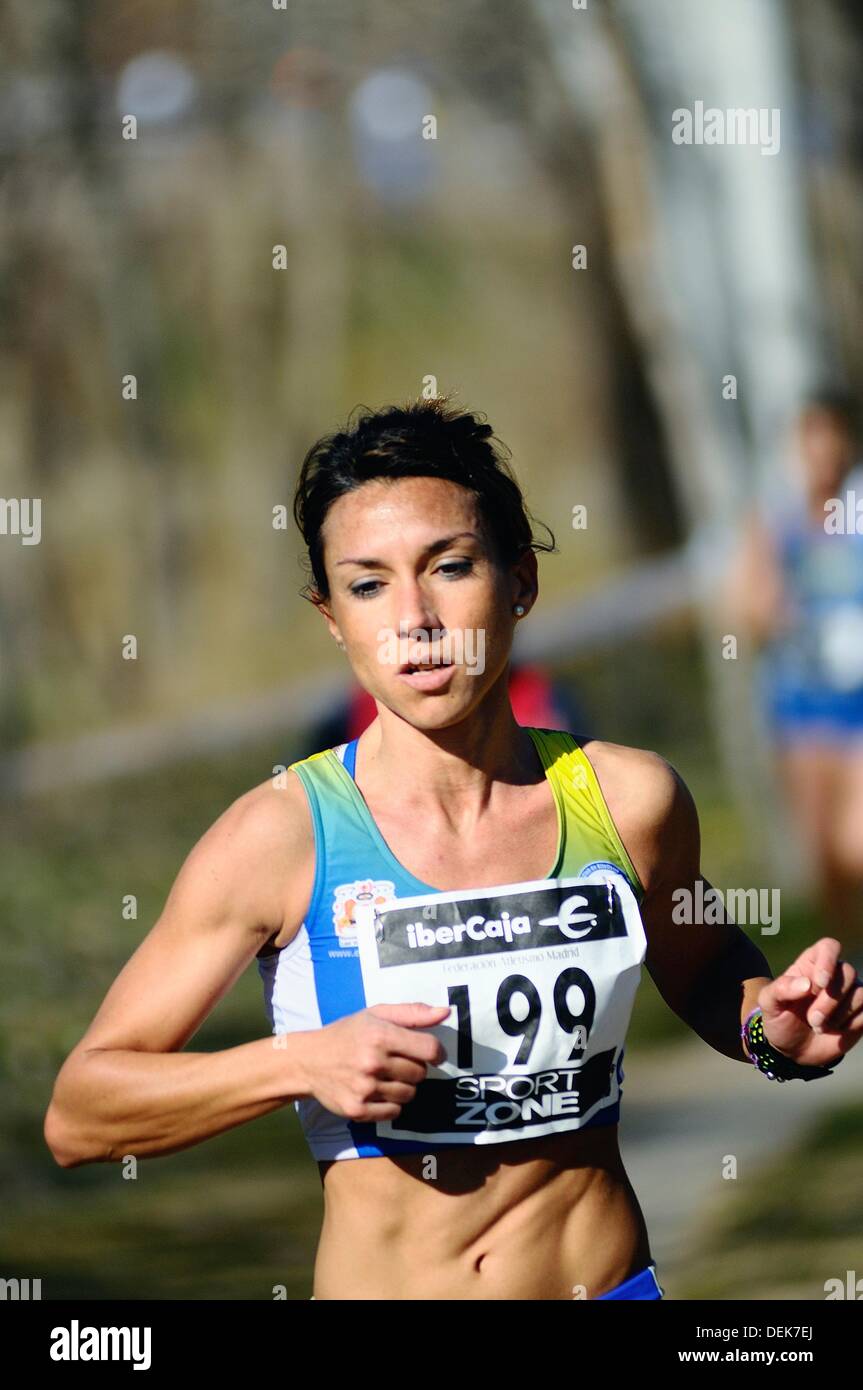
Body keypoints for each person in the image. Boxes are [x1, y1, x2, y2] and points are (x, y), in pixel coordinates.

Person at [44, 395, 863, 1301]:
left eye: (450, 566)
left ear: (520, 581)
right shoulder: (279, 837)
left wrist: (770, 1032)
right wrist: (298, 1063)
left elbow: (708, 968)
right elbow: (82, 1113)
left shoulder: (629, 800)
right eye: (367, 585)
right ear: (330, 617)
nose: (414, 619)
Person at [724, 390, 863, 963]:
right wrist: (772, 605)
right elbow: (744, 606)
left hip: (857, 705)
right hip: (800, 708)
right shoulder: (775, 518)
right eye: (812, 439)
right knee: (824, 858)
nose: (823, 452)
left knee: (857, 844)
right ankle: (852, 951)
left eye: (832, 437)